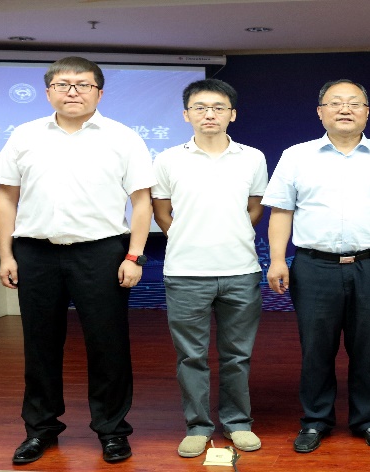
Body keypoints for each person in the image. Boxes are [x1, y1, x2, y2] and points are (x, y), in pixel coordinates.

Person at [0, 56, 154, 464]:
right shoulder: (25, 135)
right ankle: (40, 429)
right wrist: (6, 254)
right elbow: (6, 198)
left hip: (101, 252)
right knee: (39, 344)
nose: (73, 92)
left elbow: (141, 201)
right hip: (35, 252)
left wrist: (134, 255)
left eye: (83, 85)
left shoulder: (123, 137)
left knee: (108, 344)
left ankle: (112, 431)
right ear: (49, 92)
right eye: (63, 84)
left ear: (99, 92)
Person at [262, 79, 370, 453]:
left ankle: (368, 421)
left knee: (368, 349)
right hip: (313, 266)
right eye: (335, 102)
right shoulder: (296, 156)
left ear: (367, 112)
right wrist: (277, 259)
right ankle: (315, 421)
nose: (345, 109)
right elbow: (281, 211)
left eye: (354, 102)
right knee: (316, 348)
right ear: (320, 112)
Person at [150, 79, 268, 458]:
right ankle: (198, 427)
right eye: (200, 107)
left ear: (232, 114)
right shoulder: (168, 159)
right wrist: (188, 237)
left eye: (218, 107)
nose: (209, 114)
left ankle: (238, 423)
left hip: (240, 270)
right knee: (191, 356)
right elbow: (162, 212)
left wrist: (230, 233)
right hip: (185, 272)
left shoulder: (252, 158)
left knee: (237, 355)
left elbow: (254, 208)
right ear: (186, 115)